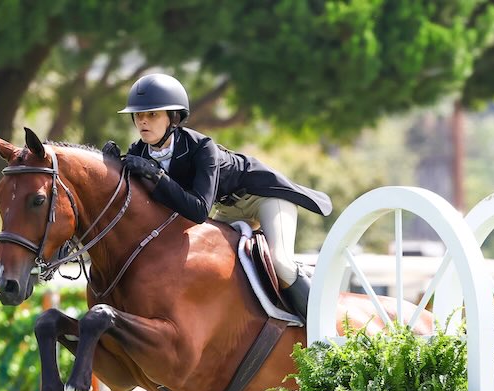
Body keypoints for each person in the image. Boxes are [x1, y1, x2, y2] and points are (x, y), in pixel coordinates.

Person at [103, 73, 332, 321]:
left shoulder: (203, 148)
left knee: (280, 263)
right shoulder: (139, 152)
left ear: (174, 118)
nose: (143, 122)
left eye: (153, 114)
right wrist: (113, 168)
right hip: (227, 208)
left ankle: (321, 326)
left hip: (263, 198)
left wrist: (157, 176)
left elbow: (199, 210)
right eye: (139, 115)